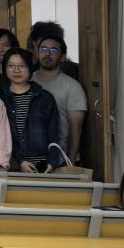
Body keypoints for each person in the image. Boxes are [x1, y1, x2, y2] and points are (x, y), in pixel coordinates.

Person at [1, 48, 63, 173]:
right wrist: (20, 161)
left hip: (43, 165)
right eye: (11, 66)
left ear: (30, 68)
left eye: (22, 66)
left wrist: (53, 161)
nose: (16, 70)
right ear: (5, 69)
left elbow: (54, 132)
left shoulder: (45, 97)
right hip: (10, 165)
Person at [32, 33, 87, 164]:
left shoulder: (72, 87)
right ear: (37, 53)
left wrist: (70, 162)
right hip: (31, 160)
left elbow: (76, 129)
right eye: (43, 49)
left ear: (62, 57)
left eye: (53, 50)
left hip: (61, 159)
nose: (47, 53)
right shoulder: (27, 81)